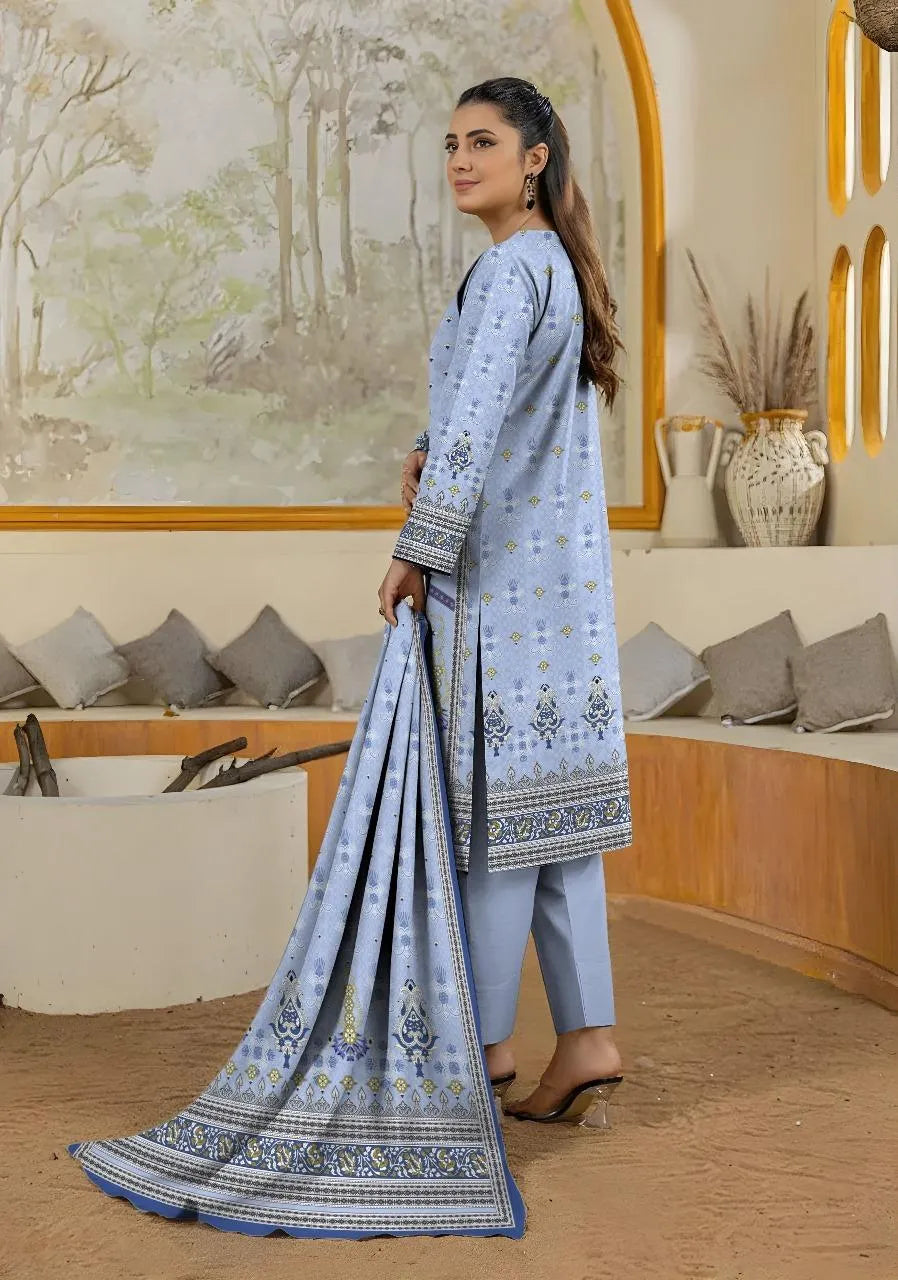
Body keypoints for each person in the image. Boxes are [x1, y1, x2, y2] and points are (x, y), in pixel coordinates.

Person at [378, 76, 632, 1127]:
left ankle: (483, 1049)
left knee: (490, 826)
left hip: (503, 599)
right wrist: (429, 453)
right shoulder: (556, 269)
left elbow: (479, 432)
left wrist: (413, 549)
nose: (458, 159)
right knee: (555, 825)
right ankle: (587, 1037)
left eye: (481, 141)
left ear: (535, 159)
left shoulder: (505, 271)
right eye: (449, 143)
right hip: (567, 602)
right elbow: (505, 430)